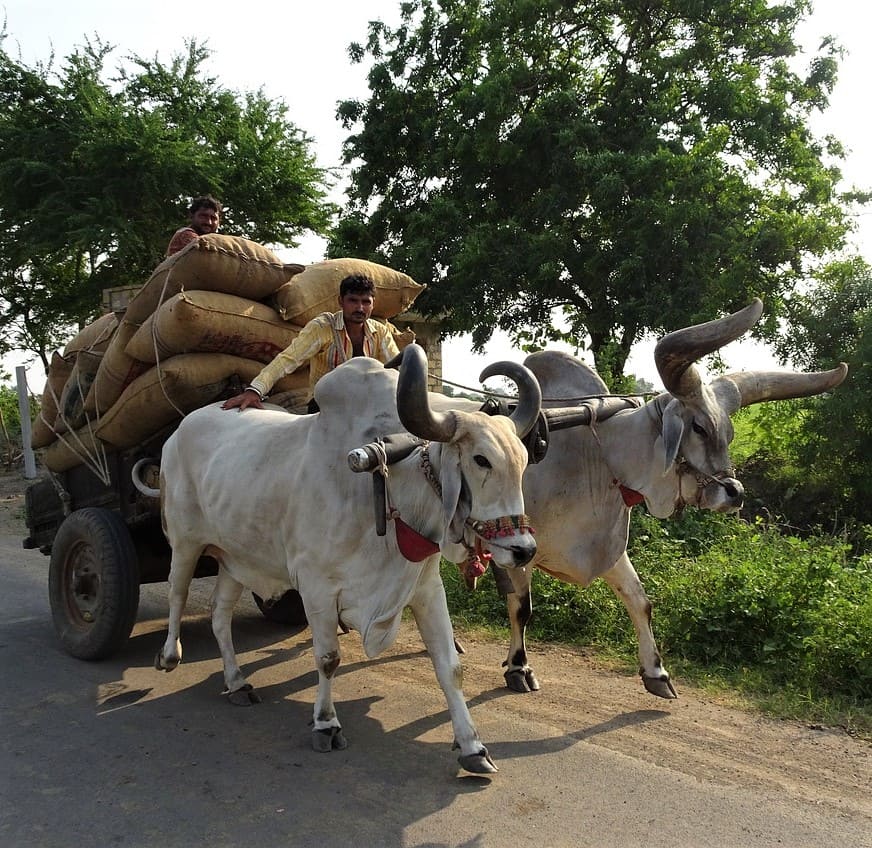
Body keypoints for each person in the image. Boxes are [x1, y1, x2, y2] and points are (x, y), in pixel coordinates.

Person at [222, 274, 402, 413]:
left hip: (365, 407)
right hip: (325, 405)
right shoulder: (323, 326)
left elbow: (396, 369)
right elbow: (288, 359)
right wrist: (255, 390)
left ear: (373, 304)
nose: (360, 308)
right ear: (341, 301)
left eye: (365, 302)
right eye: (353, 301)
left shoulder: (380, 331)